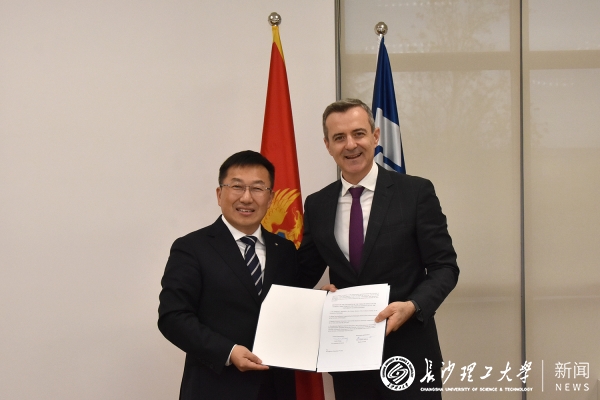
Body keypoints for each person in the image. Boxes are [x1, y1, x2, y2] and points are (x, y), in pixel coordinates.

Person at [298, 99, 459, 399]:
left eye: (358, 134)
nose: (350, 145)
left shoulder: (415, 193)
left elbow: (445, 267)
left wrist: (412, 306)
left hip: (409, 355)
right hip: (348, 362)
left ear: (375, 136)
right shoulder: (317, 204)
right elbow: (303, 272)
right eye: (339, 137)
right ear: (327, 145)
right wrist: (316, 299)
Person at [158, 150, 297, 400]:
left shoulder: (285, 250)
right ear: (219, 194)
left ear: (270, 198)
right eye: (237, 186)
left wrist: (324, 303)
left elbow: (292, 309)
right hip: (215, 387)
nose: (246, 197)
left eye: (258, 188)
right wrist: (228, 352)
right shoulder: (191, 248)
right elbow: (173, 317)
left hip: (277, 389)